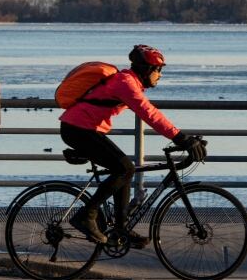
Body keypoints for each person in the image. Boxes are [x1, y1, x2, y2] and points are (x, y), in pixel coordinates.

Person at [59, 44, 207, 248]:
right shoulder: (125, 83)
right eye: (158, 70)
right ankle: (86, 216)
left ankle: (121, 229)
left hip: (84, 129)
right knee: (124, 168)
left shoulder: (129, 83)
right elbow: (149, 113)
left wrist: (184, 138)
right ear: (147, 69)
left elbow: (149, 112)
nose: (160, 75)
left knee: (124, 170)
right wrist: (181, 138)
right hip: (78, 129)